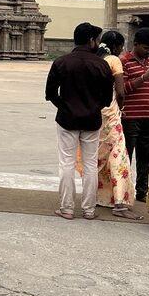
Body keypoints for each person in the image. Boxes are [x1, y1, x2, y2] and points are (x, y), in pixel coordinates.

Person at [45, 22, 114, 221]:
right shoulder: (101, 64)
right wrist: (93, 107)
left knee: (66, 163)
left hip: (67, 119)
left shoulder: (61, 62)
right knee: (90, 164)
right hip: (92, 120)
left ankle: (66, 208)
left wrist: (65, 106)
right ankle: (89, 210)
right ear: (91, 40)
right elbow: (107, 98)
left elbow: (50, 93)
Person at [120, 27, 149, 203]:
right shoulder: (124, 61)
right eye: (146, 48)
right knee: (127, 157)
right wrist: (144, 77)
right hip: (130, 116)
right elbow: (122, 89)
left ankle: (141, 191)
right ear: (136, 44)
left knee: (145, 156)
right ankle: (124, 192)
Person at [95, 31, 138, 219]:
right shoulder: (114, 60)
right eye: (122, 46)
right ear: (117, 46)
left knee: (100, 158)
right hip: (111, 114)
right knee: (119, 157)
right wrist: (122, 107)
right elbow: (120, 91)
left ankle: (101, 197)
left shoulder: (96, 59)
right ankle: (119, 203)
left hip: (96, 115)